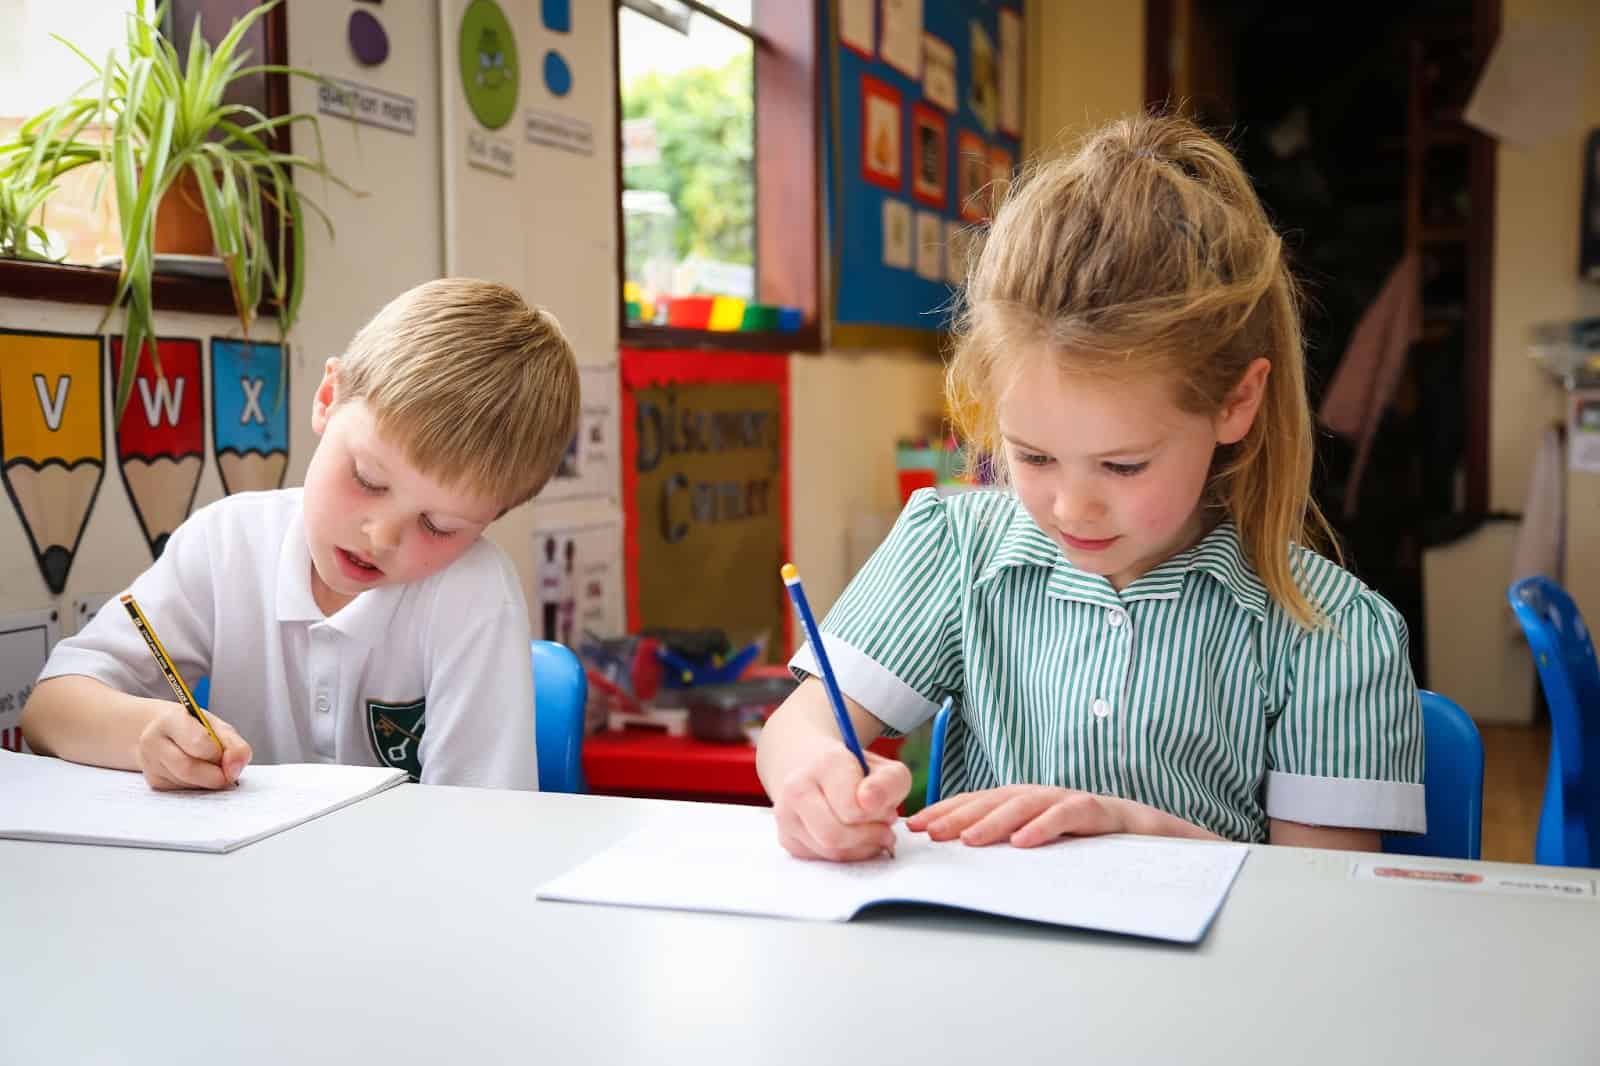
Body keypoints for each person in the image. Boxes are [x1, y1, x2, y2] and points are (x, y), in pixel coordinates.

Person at [756, 114, 1424, 861]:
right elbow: (799, 726)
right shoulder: (951, 548)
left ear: (1236, 402)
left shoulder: (1333, 633)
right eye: (1033, 457)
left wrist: (1137, 831)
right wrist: (814, 776)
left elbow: (1323, 904)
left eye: (1123, 465)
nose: (1071, 508)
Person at [22, 278, 580, 790]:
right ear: (327, 398)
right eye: (367, 478)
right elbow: (48, 712)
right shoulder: (228, 543)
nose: (380, 536)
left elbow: (479, 827)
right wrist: (148, 728)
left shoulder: (473, 592)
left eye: (440, 525)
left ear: (492, 517)